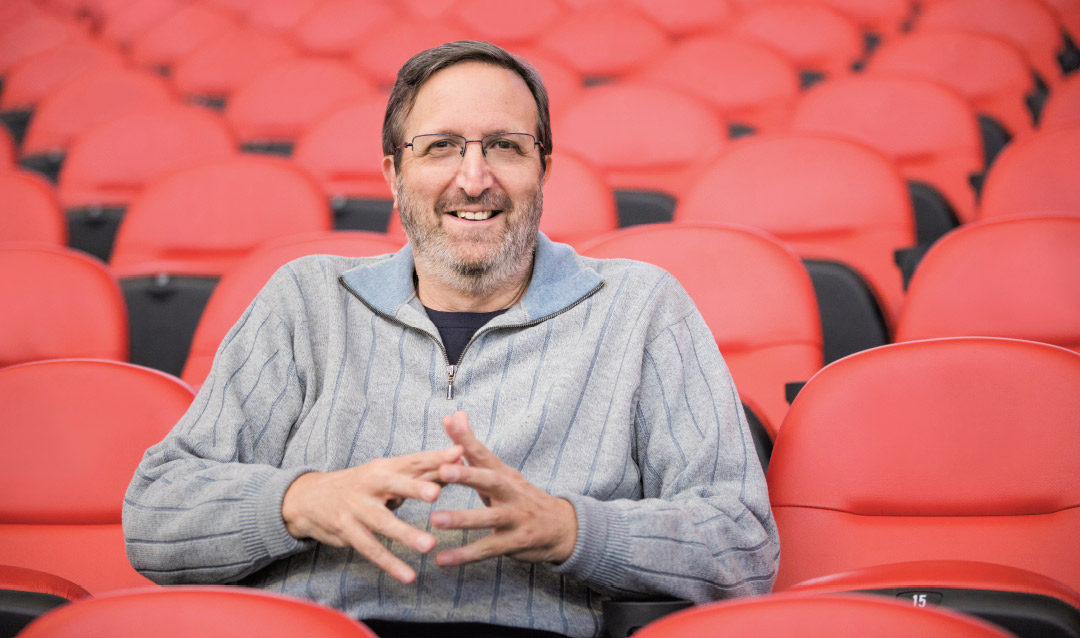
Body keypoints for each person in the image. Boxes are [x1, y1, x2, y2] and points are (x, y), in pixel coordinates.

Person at [123, 41, 779, 638]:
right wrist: (296, 501)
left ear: (543, 169)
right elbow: (154, 516)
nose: (473, 178)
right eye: (440, 146)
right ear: (391, 173)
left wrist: (576, 529)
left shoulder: (641, 307)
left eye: (505, 145)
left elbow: (744, 543)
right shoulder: (304, 299)